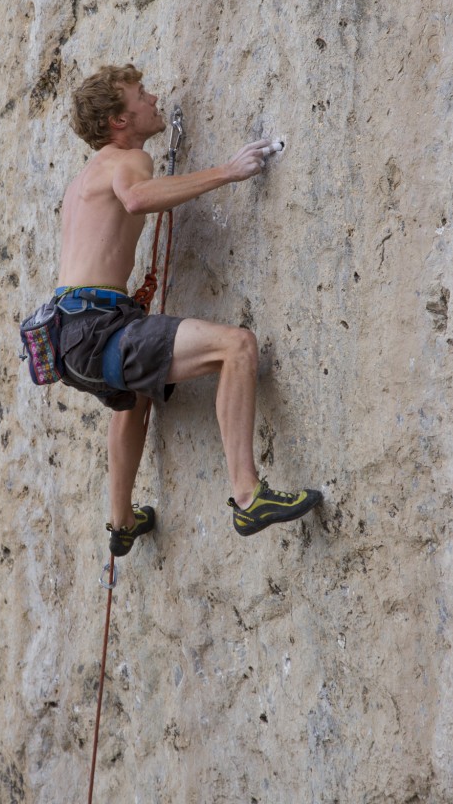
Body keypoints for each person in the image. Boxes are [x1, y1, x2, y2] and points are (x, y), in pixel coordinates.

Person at [55, 63, 322, 556]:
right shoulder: (127, 160)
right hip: (95, 327)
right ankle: (249, 495)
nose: (153, 97)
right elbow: (135, 200)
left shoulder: (83, 179)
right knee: (236, 346)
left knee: (134, 395)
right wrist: (228, 171)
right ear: (119, 119)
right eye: (140, 94)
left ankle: (122, 521)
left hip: (72, 334)